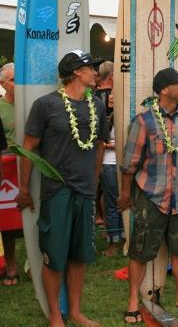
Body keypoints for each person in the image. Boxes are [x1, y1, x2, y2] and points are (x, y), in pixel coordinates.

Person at [15, 50, 108, 327]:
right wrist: (23, 189)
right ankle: (56, 314)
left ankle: (76, 312)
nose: (95, 71)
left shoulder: (98, 107)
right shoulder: (46, 106)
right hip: (57, 190)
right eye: (91, 67)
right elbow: (28, 148)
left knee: (80, 255)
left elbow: (100, 145)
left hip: (86, 191)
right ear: (76, 72)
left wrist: (95, 179)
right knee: (54, 257)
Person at [119, 68, 178, 324]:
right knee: (140, 250)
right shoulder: (144, 121)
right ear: (164, 89)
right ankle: (133, 300)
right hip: (151, 196)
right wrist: (125, 194)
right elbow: (129, 164)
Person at [0, 63, 19, 286]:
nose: (17, 83)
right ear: (3, 84)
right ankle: (12, 266)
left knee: (34, 218)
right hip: (7, 171)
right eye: (13, 79)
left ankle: (35, 263)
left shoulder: (31, 104)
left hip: (31, 167)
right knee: (9, 220)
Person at [100, 92, 122, 256]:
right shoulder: (109, 117)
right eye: (110, 98)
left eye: (115, 97)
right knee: (113, 204)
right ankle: (116, 240)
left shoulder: (122, 117)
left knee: (115, 205)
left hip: (114, 164)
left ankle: (115, 244)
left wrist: (107, 145)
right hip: (109, 164)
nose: (110, 99)